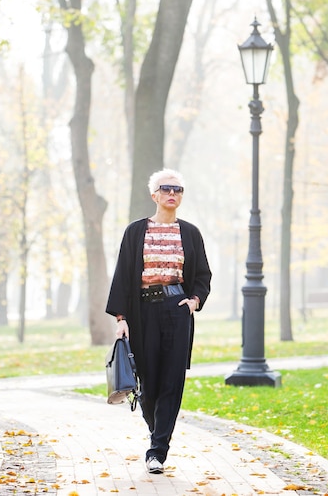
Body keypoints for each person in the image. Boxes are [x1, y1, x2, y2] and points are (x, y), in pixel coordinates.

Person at [106, 168, 211, 474]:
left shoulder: (190, 233)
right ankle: (157, 429)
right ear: (154, 195)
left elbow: (202, 275)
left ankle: (158, 450)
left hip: (177, 309)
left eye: (178, 190)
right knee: (148, 384)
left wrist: (193, 302)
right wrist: (121, 318)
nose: (172, 194)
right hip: (142, 312)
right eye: (166, 189)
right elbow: (123, 277)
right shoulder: (136, 231)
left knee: (172, 380)